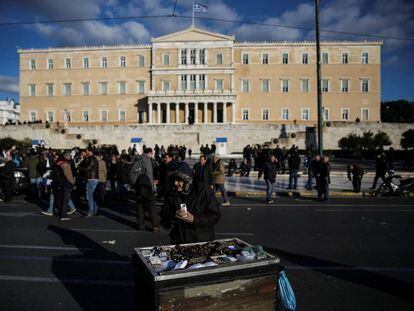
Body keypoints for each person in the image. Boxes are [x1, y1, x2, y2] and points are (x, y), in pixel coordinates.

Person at [162, 167, 221, 244]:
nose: (176, 183)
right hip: (179, 240)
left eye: (179, 180)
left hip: (201, 240)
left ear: (188, 181)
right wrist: (174, 214)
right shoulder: (172, 192)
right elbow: (164, 213)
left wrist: (194, 219)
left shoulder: (204, 190)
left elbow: (215, 216)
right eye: (174, 180)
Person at [134, 148, 160, 232]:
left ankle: (141, 225)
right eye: (151, 154)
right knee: (152, 206)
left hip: (138, 186)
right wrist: (152, 187)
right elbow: (149, 174)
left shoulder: (137, 158)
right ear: (149, 153)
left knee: (140, 206)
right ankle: (155, 226)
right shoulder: (146, 160)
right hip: (146, 187)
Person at [53, 151, 75, 220]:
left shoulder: (57, 163)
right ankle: (63, 215)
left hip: (58, 183)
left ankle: (60, 214)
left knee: (60, 199)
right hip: (66, 184)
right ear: (66, 156)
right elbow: (68, 175)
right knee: (65, 200)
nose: (70, 157)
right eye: (69, 156)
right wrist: (72, 182)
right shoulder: (65, 164)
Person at [79, 147, 99, 217]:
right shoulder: (93, 158)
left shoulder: (92, 158)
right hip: (93, 179)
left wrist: (79, 167)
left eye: (87, 151)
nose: (86, 152)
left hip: (92, 179)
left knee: (89, 196)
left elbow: (88, 168)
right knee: (93, 196)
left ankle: (90, 211)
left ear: (90, 151)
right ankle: (94, 210)